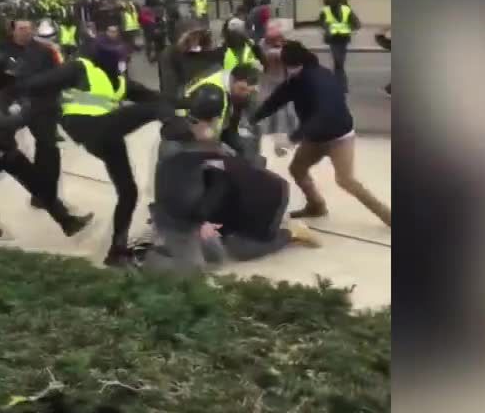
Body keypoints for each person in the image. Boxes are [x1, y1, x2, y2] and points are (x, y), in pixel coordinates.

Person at [10, 45, 177, 267]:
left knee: (128, 191)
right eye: (120, 61)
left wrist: (190, 103)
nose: (122, 66)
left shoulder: (120, 83)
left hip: (106, 135)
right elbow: (37, 84)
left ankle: (117, 251)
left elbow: (154, 96)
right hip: (85, 126)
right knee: (153, 110)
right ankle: (177, 131)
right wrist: (16, 87)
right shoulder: (80, 68)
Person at [252, 41, 392, 227]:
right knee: (297, 169)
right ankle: (316, 205)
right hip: (315, 137)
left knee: (345, 180)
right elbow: (276, 99)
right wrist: (253, 119)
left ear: (294, 64)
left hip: (339, 137)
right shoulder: (296, 78)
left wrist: (293, 138)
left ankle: (388, 216)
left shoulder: (319, 80)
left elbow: (325, 114)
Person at [143, 145, 318, 274]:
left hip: (270, 198)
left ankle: (292, 232)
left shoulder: (210, 195)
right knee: (213, 238)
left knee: (241, 250)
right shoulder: (199, 163)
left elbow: (203, 219)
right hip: (246, 190)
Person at [0, 79, 92, 238]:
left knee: (35, 184)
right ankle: (67, 222)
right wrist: (26, 114)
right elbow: (1, 123)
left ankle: (68, 223)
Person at [0, 19, 63, 208]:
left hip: (42, 107)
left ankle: (46, 196)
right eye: (21, 29)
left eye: (28, 29)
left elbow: (57, 76)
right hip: (15, 107)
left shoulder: (45, 50)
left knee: (48, 150)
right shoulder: (3, 51)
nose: (25, 32)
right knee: (6, 151)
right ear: (13, 31)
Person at [255, 20, 300, 157]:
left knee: (291, 114)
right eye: (272, 34)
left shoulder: (286, 44)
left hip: (285, 84)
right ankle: (278, 145)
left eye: (278, 34)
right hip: (269, 86)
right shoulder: (262, 46)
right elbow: (262, 61)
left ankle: (289, 140)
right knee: (276, 117)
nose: (276, 38)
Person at [319, 0, 361, 92]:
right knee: (339, 63)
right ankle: (340, 85)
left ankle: (339, 86)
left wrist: (328, 27)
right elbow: (357, 24)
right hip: (343, 39)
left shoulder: (326, 10)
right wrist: (348, 28)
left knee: (338, 63)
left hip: (334, 39)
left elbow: (321, 23)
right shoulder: (346, 9)